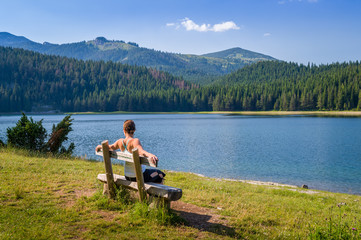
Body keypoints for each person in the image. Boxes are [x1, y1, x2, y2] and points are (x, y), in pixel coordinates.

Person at [95, 120, 165, 183]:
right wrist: (150, 155)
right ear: (134, 130)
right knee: (159, 174)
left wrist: (100, 146)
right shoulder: (135, 141)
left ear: (124, 130)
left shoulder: (120, 142)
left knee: (154, 174)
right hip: (139, 176)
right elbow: (141, 151)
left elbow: (110, 147)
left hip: (128, 176)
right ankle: (157, 197)